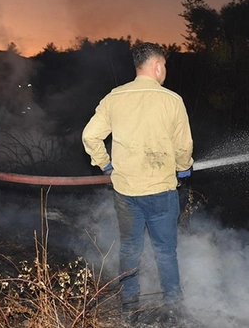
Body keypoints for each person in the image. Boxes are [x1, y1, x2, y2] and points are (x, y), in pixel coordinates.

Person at [82, 42, 193, 323]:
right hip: (161, 192)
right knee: (165, 251)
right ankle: (173, 305)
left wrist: (104, 163)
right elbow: (184, 146)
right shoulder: (172, 100)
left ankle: (128, 306)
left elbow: (90, 136)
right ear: (157, 66)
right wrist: (183, 168)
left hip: (126, 192)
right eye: (164, 65)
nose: (165, 70)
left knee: (130, 248)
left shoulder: (115, 98)